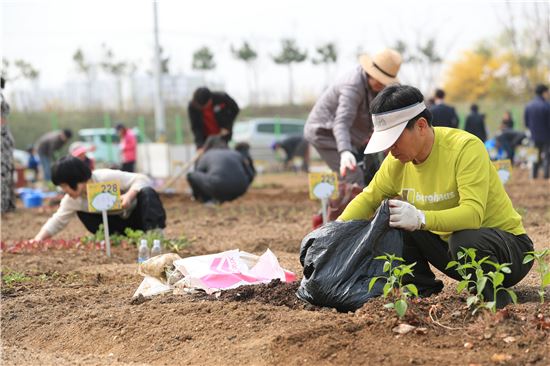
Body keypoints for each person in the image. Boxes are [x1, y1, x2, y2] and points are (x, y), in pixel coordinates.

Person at [339, 84, 533, 308]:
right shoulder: (396, 162)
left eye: (395, 140)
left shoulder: (465, 149)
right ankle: (422, 294)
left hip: (508, 254)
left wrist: (421, 218)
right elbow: (368, 198)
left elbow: (472, 215)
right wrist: (333, 232)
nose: (389, 149)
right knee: (393, 221)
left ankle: (495, 301)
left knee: (463, 239)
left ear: (421, 126)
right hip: (454, 253)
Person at [304, 48, 403, 186]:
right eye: (379, 80)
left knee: (369, 170)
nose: (382, 85)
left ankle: (350, 201)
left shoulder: (375, 87)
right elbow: (342, 122)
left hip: (349, 136)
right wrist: (345, 152)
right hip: (324, 133)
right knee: (352, 174)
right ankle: (355, 205)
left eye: (385, 81)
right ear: (370, 72)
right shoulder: (352, 86)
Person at [33, 156, 166, 241]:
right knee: (82, 213)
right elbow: (58, 220)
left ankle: (154, 236)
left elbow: (142, 178)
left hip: (136, 218)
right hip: (114, 226)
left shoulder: (104, 177)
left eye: (64, 185)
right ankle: (114, 240)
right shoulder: (72, 200)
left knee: (147, 192)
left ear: (75, 179)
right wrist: (37, 240)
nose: (64, 190)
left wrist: (129, 196)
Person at [186, 137, 255, 204]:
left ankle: (204, 199)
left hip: (218, 188)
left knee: (191, 175)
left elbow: (198, 172)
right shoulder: (236, 154)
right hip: (240, 189)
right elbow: (251, 174)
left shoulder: (208, 154)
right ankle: (226, 197)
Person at [188, 87, 240, 151]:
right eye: (199, 107)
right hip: (205, 138)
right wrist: (199, 145)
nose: (202, 108)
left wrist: (227, 127)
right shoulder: (192, 106)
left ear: (210, 100)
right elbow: (196, 127)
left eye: (204, 106)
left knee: (222, 154)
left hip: (222, 136)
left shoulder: (222, 98)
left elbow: (235, 109)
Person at [524, 84, 550, 179]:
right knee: (547, 156)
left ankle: (533, 176)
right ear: (544, 92)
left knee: (534, 156)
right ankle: (546, 176)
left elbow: (526, 123)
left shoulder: (529, 105)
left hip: (533, 136)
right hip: (547, 136)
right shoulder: (547, 105)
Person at [1, 76, 16, 213]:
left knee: (3, 174)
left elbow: (1, 121)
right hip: (5, 139)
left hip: (2, 140)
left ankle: (4, 205)